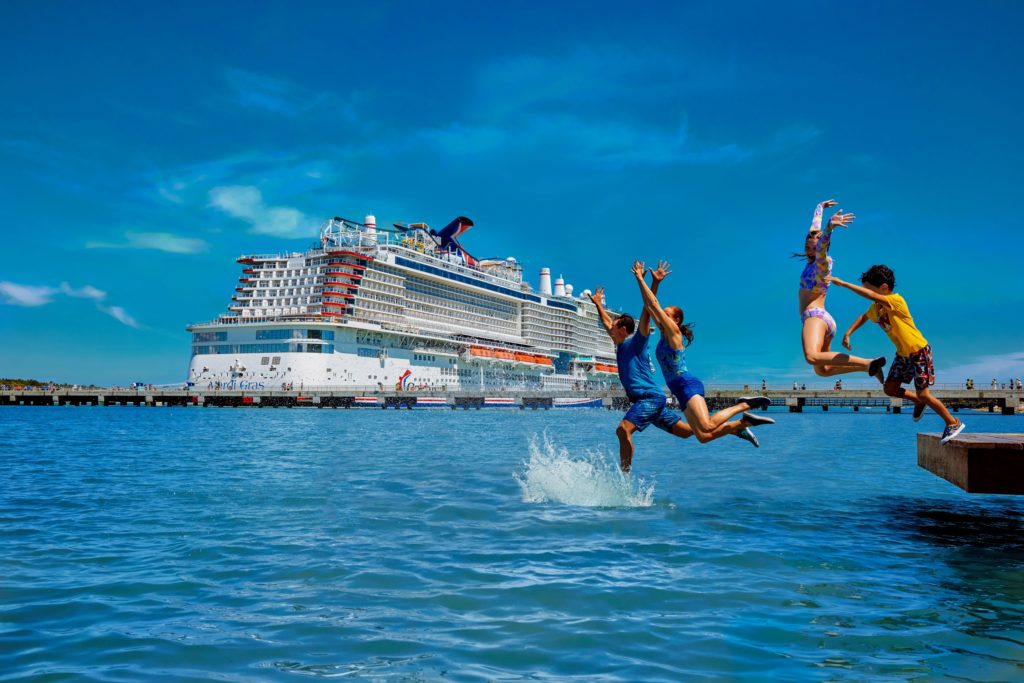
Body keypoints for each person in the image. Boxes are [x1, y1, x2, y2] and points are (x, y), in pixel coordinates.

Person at [590, 262, 764, 472]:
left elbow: (648, 308)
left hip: (650, 398)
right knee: (692, 432)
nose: (610, 327)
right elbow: (612, 320)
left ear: (623, 329)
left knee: (623, 429)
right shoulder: (619, 344)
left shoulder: (636, 342)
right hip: (651, 399)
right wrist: (598, 304)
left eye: (614, 325)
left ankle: (623, 480)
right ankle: (736, 427)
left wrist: (651, 282)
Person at [631, 260, 774, 447]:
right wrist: (655, 283)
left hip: (686, 384)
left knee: (707, 424)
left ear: (676, 320)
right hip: (679, 391)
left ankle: (745, 405)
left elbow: (654, 305)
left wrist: (640, 279)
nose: (661, 317)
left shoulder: (674, 334)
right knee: (703, 436)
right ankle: (739, 425)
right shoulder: (663, 336)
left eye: (666, 314)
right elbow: (650, 307)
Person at [829, 265, 965, 444]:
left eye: (869, 289)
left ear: (884, 288)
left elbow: (871, 296)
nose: (869, 294)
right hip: (903, 355)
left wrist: (844, 284)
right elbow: (864, 316)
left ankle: (953, 422)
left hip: (919, 351)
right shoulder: (876, 308)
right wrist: (848, 333)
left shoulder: (896, 300)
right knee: (890, 388)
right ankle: (918, 401)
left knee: (924, 394)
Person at [797, 199, 887, 381]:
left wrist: (829, 228)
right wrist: (819, 208)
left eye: (812, 249)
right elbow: (814, 231)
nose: (808, 251)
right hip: (825, 321)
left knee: (811, 356)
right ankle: (867, 368)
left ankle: (868, 363)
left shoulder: (821, 265)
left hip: (815, 316)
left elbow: (820, 247)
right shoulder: (811, 262)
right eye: (806, 247)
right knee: (822, 370)